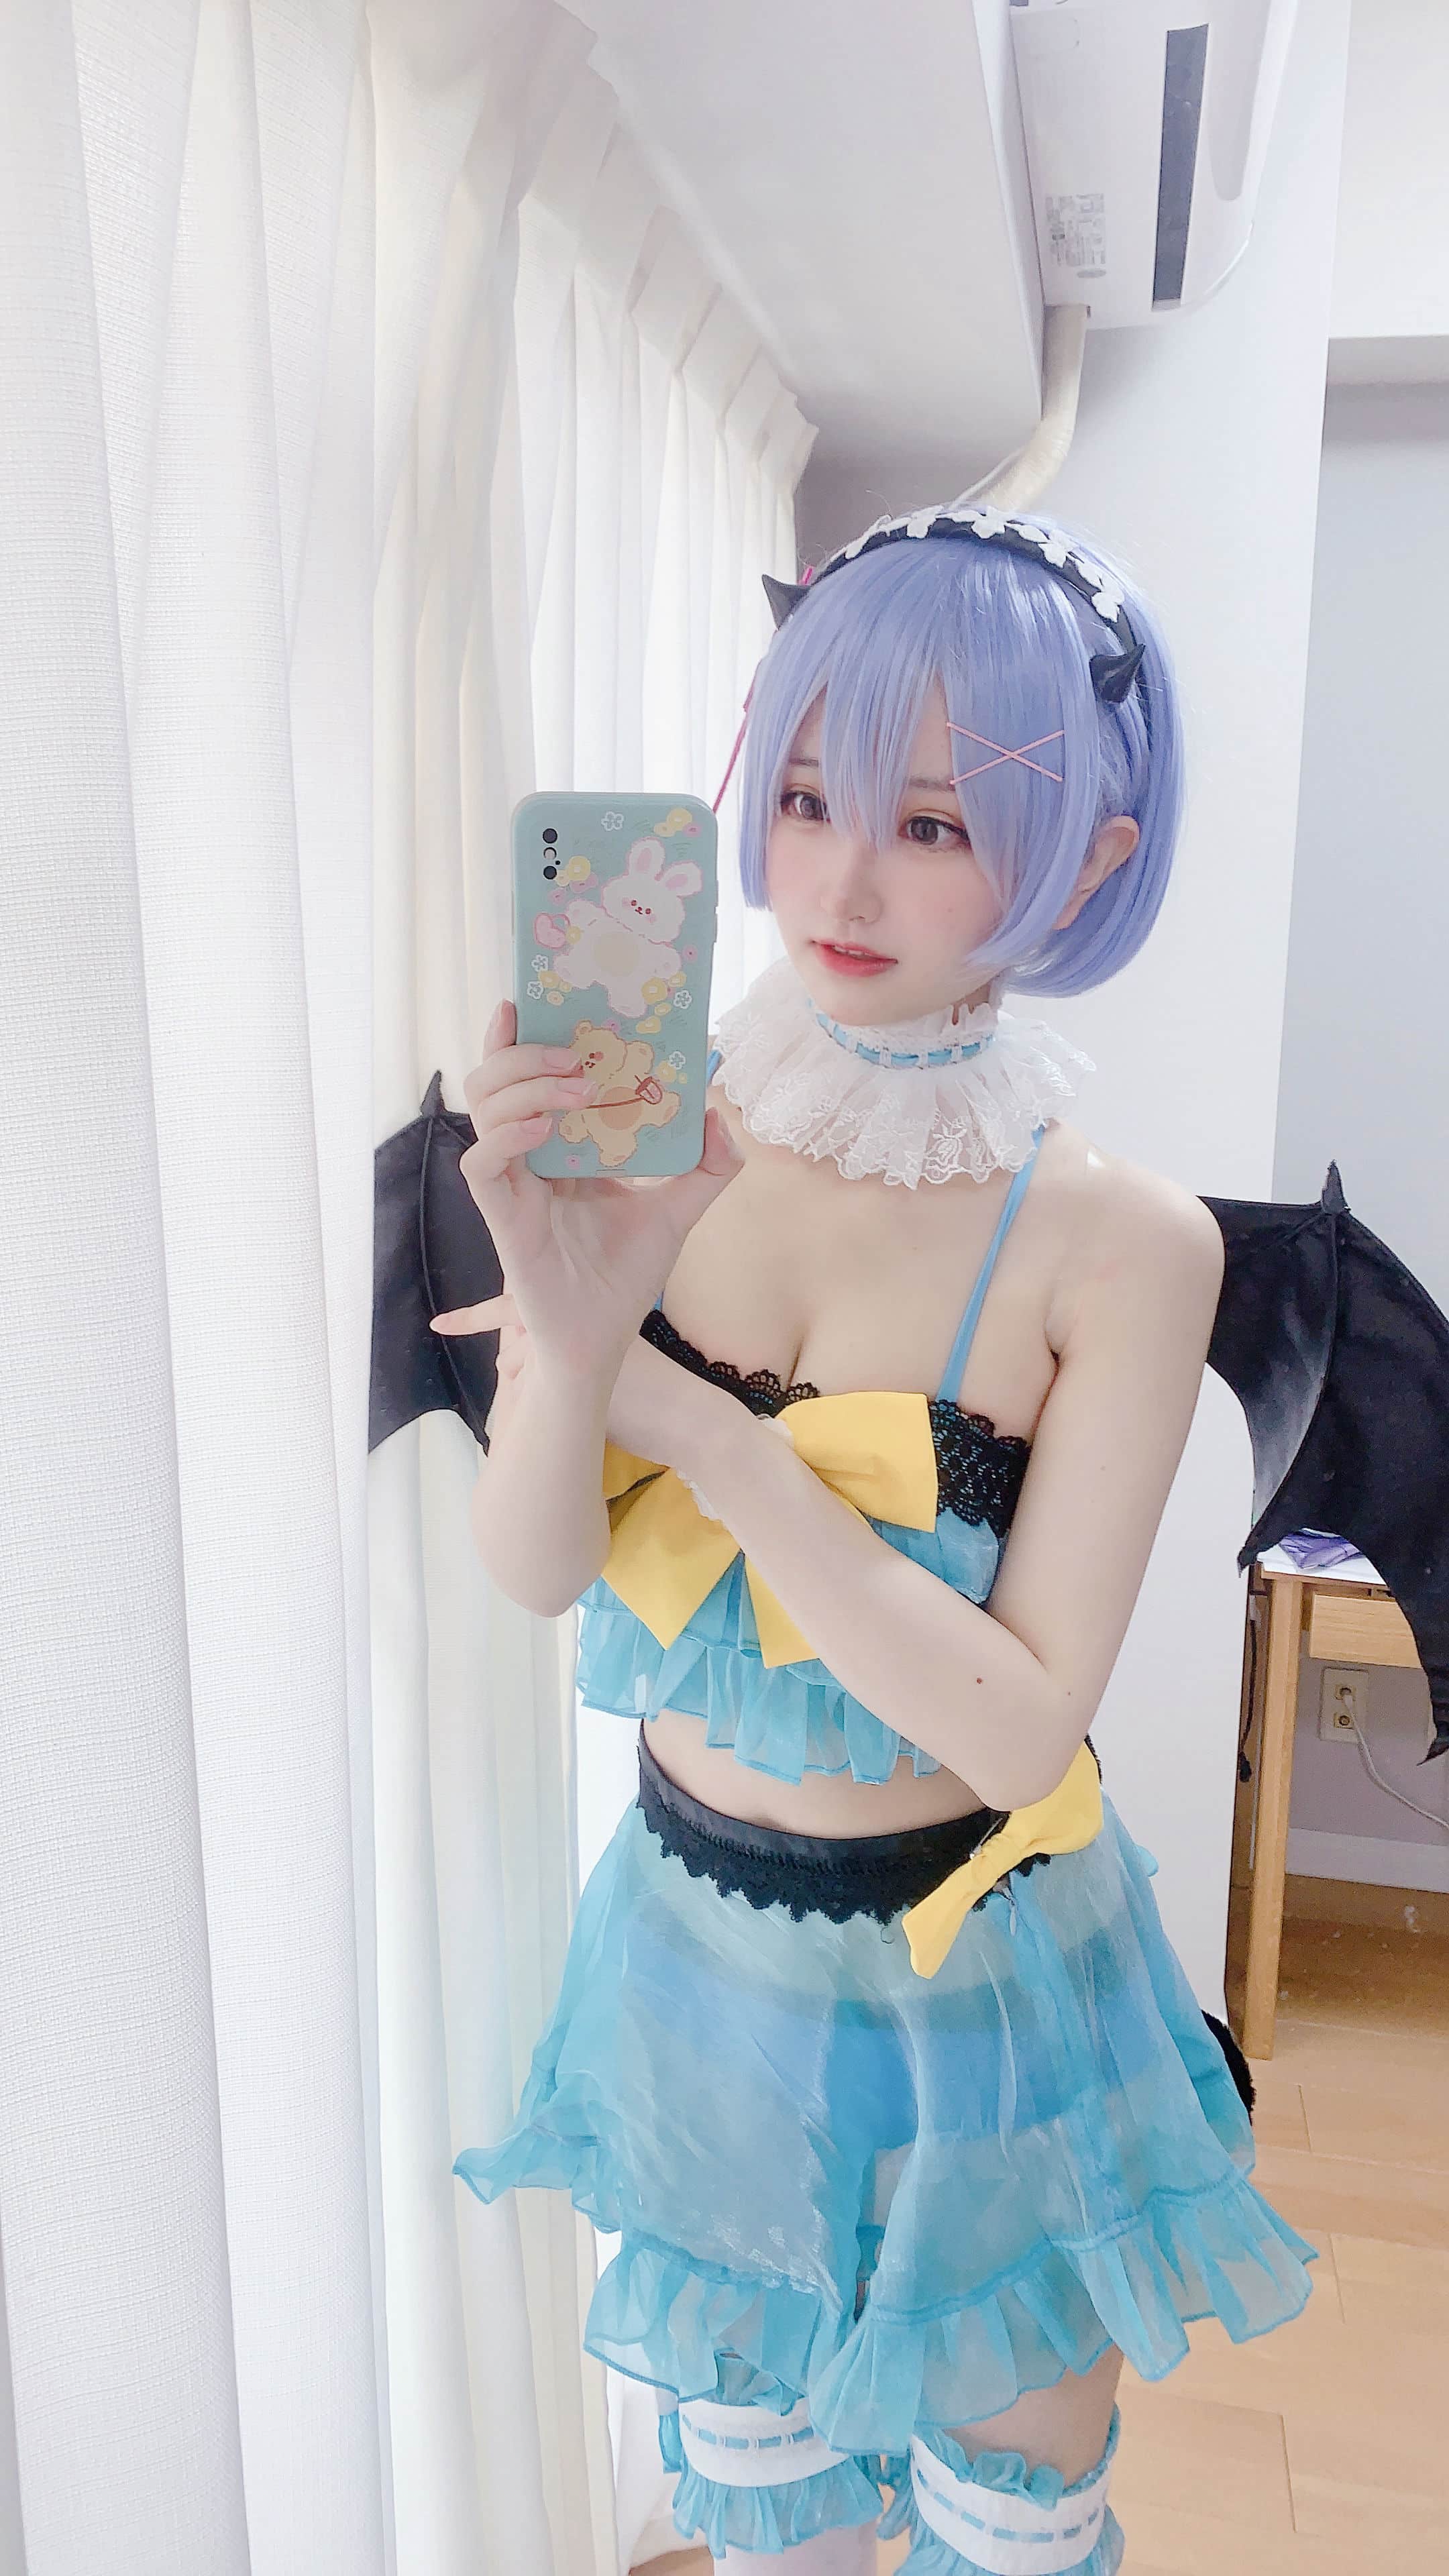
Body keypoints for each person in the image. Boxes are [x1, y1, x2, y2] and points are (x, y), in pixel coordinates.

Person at [433, 506, 1317, 2574]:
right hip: (697, 1955)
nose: (838, 880)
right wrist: (566, 1321)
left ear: (1089, 859)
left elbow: (1015, 1729)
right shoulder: (662, 1131)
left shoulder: (1127, 1245)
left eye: (930, 823)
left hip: (982, 1983)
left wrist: (698, 1430)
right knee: (760, 2502)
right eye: (810, 792)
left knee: (1007, 2513)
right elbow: (541, 1571)